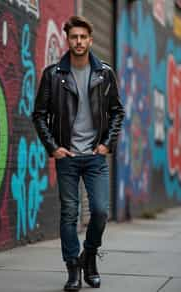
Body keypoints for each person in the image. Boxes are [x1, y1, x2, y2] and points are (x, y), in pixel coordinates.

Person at [32, 15, 125, 292]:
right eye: (74, 37)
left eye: (83, 37)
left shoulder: (105, 73)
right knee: (69, 214)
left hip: (95, 156)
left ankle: (90, 256)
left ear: (91, 40)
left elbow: (117, 111)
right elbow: (39, 115)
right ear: (68, 39)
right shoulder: (53, 75)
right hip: (68, 157)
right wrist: (53, 147)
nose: (79, 41)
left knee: (99, 212)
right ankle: (73, 268)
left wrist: (107, 144)